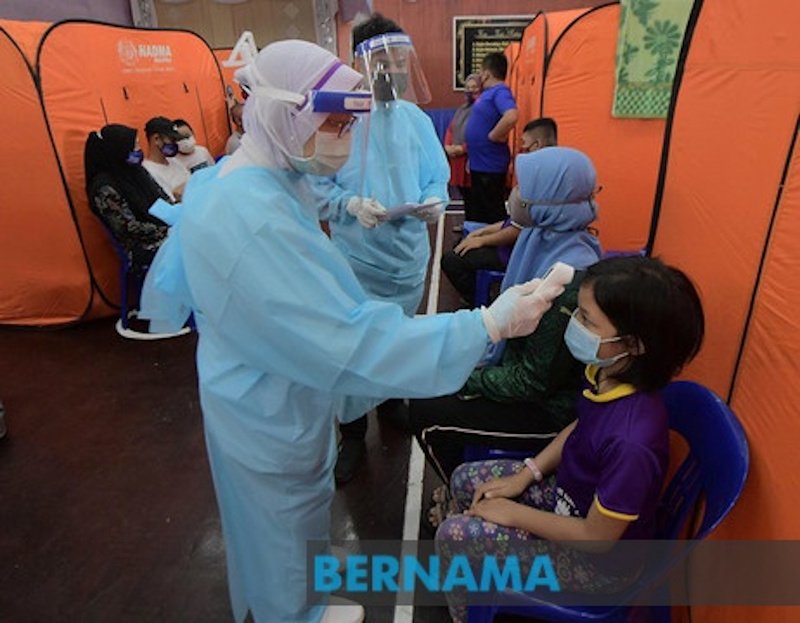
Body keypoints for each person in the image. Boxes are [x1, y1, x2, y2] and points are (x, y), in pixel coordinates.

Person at [139, 39, 561, 623]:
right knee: (279, 526)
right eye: (332, 122)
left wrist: (353, 205)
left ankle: (301, 598)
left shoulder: (254, 176)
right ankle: (292, 613)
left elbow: (317, 212)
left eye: (347, 123)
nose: (343, 137)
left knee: (294, 517)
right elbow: (350, 340)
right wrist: (485, 324)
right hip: (268, 407)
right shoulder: (252, 220)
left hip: (273, 385)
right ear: (283, 113)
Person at [435, 255, 705, 623]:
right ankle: (479, 565)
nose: (574, 324)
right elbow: (579, 428)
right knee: (466, 478)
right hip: (570, 503)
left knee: (455, 537)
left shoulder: (632, 443)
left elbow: (597, 537)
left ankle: (469, 613)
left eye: (586, 320)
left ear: (634, 344)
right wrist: (526, 474)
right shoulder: (607, 374)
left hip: (597, 566)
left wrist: (517, 514)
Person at [315, 15, 451, 484]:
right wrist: (348, 204)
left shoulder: (416, 120)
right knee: (353, 350)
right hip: (356, 261)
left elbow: (437, 175)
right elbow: (313, 186)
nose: (391, 71)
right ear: (360, 63)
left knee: (398, 339)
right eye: (382, 62)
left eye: (398, 61)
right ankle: (351, 434)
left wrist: (435, 201)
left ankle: (392, 401)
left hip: (408, 256)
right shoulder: (340, 122)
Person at [409, 272, 586, 518]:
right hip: (523, 378)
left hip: (548, 410)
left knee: (428, 413)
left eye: (586, 318)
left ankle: (463, 499)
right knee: (436, 394)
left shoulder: (572, 296)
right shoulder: (568, 276)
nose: (580, 321)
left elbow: (531, 382)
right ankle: (463, 486)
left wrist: (469, 379)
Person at [441, 118, 559, 305]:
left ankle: (482, 304)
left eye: (524, 145)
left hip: (520, 253)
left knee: (452, 260)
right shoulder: (548, 171)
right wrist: (482, 232)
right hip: (515, 242)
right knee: (462, 243)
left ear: (537, 145)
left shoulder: (542, 181)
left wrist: (482, 239)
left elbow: (518, 230)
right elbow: (515, 221)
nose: (521, 151)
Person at [84, 123, 172, 274]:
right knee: (190, 244)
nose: (138, 151)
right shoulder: (104, 188)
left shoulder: (135, 171)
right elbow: (128, 228)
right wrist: (167, 231)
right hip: (139, 247)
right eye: (135, 146)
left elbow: (161, 196)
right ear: (118, 150)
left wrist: (176, 214)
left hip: (162, 230)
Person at [463, 52, 518, 224]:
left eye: (480, 72)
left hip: (490, 165)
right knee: (482, 209)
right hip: (481, 164)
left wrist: (494, 135)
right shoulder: (489, 93)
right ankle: (482, 243)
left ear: (486, 73)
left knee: (492, 211)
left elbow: (511, 116)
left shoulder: (500, 92)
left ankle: (497, 248)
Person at [444, 73, 481, 229]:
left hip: (471, 159)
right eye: (468, 87)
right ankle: (467, 223)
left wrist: (462, 148)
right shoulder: (461, 109)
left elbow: (480, 133)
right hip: (457, 160)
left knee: (475, 196)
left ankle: (475, 226)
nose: (471, 90)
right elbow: (451, 129)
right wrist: (447, 146)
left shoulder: (481, 109)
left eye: (475, 87)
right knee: (464, 194)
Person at [142, 116, 191, 202]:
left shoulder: (174, 161)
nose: (175, 143)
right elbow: (171, 199)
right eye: (171, 140)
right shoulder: (147, 171)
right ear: (156, 139)